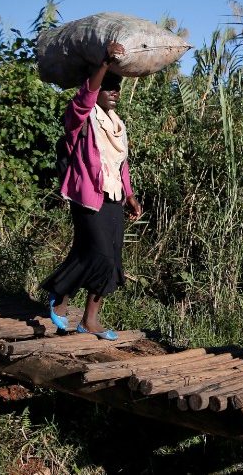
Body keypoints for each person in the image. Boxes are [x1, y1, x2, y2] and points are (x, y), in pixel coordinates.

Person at [42, 42, 143, 341]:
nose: (114, 91)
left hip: (113, 197)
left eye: (117, 87)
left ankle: (89, 321)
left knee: (112, 258)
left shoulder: (117, 125)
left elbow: (120, 164)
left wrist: (129, 195)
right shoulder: (81, 118)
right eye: (108, 86)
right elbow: (84, 98)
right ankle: (60, 295)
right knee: (99, 255)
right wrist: (105, 63)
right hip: (88, 195)